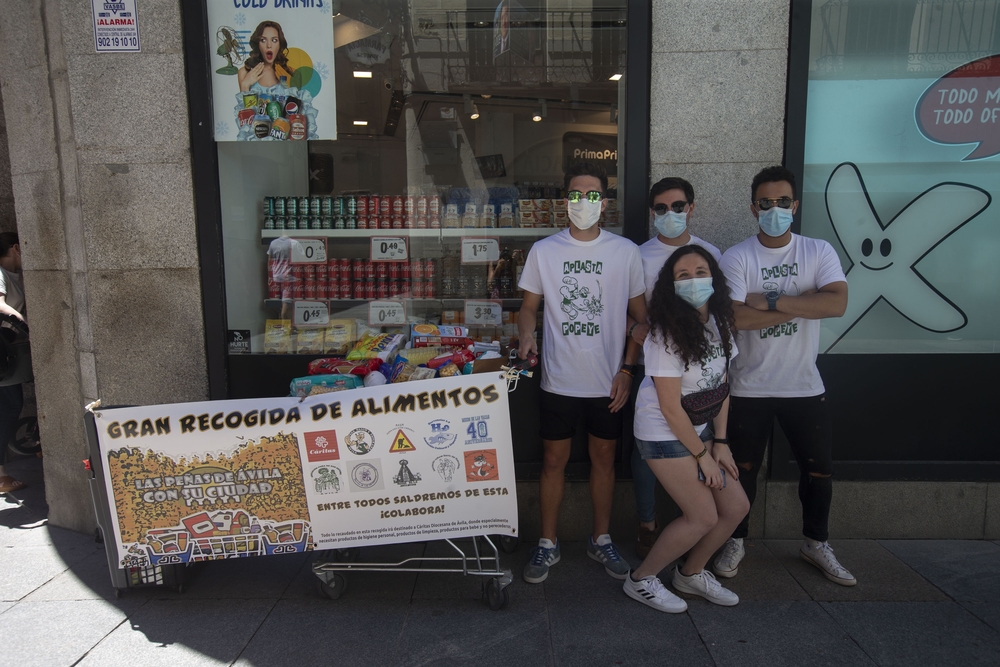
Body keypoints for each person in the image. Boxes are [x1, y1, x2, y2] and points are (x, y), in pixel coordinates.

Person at [716, 165, 855, 586]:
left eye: (781, 202)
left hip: (804, 385)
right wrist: (802, 299)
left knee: (819, 471)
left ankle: (816, 542)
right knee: (741, 470)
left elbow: (836, 305)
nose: (773, 209)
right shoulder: (737, 256)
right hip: (748, 386)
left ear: (794, 205)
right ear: (753, 207)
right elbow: (735, 317)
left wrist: (771, 299)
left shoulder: (818, 251)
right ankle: (735, 539)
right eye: (765, 202)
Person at [518, 162, 646, 584]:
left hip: (608, 381)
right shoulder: (545, 251)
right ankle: (548, 543)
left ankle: (601, 538)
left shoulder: (624, 252)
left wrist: (628, 369)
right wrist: (527, 336)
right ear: (565, 201)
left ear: (604, 203)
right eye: (575, 194)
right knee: (553, 461)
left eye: (591, 195)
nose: (582, 202)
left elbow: (640, 319)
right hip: (558, 378)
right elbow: (529, 308)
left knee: (604, 459)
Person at [623, 245, 748, 612]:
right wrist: (702, 458)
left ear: (714, 276)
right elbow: (669, 407)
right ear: (670, 286)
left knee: (736, 506)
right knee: (703, 515)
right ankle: (641, 579)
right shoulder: (665, 334)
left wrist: (720, 444)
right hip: (663, 431)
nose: (693, 280)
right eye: (683, 275)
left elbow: (722, 387)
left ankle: (690, 574)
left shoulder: (721, 322)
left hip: (702, 428)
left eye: (700, 271)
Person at [627, 177, 722, 558]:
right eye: (662, 209)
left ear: (691, 208)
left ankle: (699, 522)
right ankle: (648, 524)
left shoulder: (711, 253)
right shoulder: (637, 255)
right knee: (646, 451)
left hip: (703, 375)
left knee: (702, 436)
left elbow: (722, 312)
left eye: (678, 206)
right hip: (655, 370)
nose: (671, 214)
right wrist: (641, 334)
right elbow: (623, 313)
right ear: (652, 213)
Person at [0, 233, 26, 493]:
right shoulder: (0, 272)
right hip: (2, 354)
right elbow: (1, 306)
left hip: (8, 352)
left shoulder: (16, 274)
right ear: (16, 247)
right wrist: (24, 323)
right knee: (9, 407)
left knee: (9, 405)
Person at [239, 21, 294, 92]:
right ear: (257, 44)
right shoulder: (244, 72)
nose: (269, 45)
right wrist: (245, 86)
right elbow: (243, 103)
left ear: (280, 44)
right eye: (263, 40)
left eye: (274, 40)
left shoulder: (290, 72)